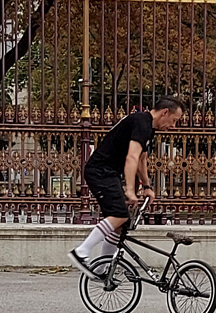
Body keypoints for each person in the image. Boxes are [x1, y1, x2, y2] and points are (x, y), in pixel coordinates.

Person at [69, 96, 185, 274]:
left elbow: (141, 159)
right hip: (100, 171)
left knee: (120, 224)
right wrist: (130, 190)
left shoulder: (148, 127)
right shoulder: (141, 122)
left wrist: (147, 187)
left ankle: (101, 270)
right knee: (119, 214)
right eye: (174, 120)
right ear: (165, 112)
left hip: (109, 172)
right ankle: (81, 252)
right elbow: (131, 157)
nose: (174, 126)